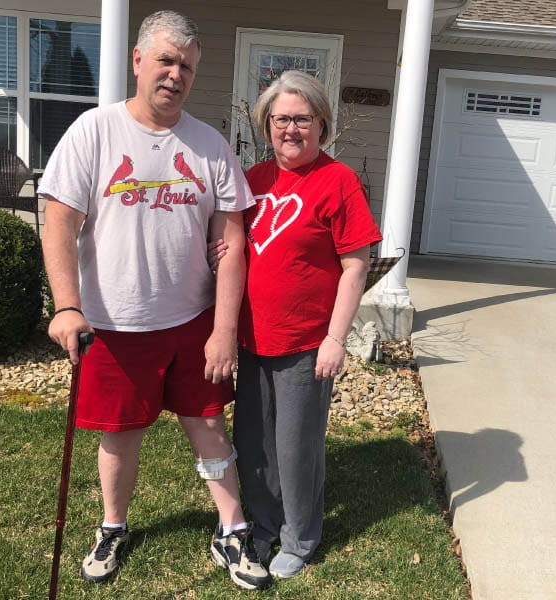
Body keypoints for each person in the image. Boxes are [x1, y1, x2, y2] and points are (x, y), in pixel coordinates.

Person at [38, 10, 271, 591]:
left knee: (210, 425)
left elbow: (231, 241)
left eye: (187, 66)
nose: (176, 74)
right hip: (115, 324)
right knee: (119, 433)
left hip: (191, 319)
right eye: (165, 60)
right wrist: (68, 306)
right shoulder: (94, 131)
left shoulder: (211, 145)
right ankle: (112, 526)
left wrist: (222, 330)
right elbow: (59, 223)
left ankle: (232, 529)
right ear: (137, 61)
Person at [219, 70, 383, 578]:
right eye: (281, 119)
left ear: (322, 125)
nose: (291, 129)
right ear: (267, 124)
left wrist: (336, 339)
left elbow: (356, 265)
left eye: (303, 119)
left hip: (307, 341)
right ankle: (264, 527)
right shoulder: (255, 180)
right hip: (252, 338)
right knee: (254, 442)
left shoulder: (339, 182)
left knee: (296, 446)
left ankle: (300, 536)